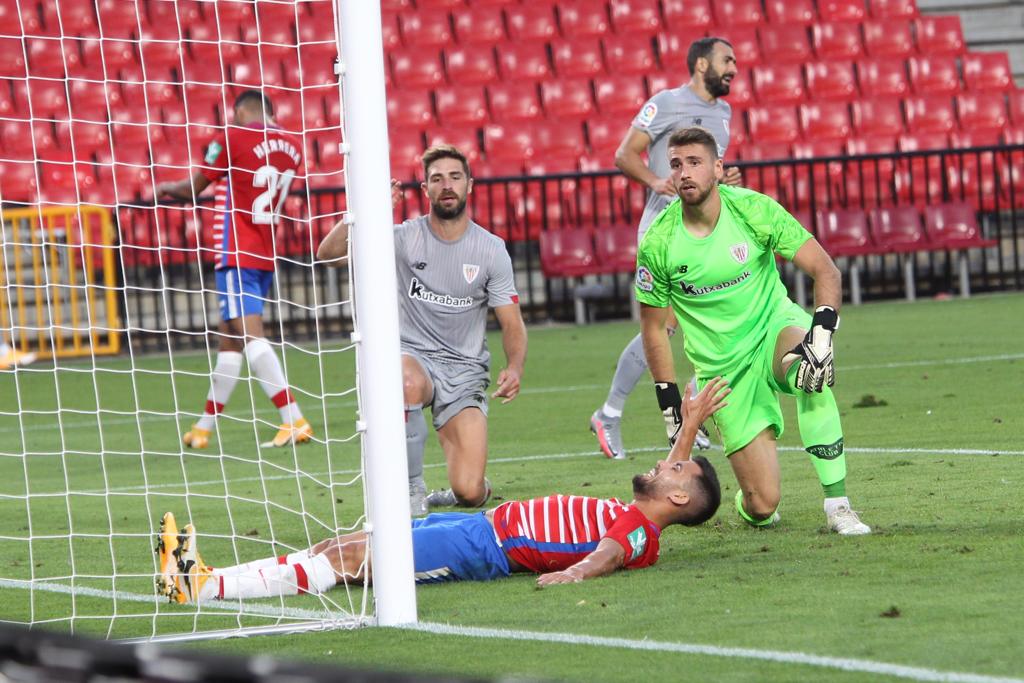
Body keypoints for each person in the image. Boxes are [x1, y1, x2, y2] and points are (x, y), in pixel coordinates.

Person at [154, 378, 728, 602]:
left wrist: (573, 574)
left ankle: (203, 588)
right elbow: (670, 476)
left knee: (354, 559)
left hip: (483, 550)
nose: (664, 463)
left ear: (677, 499)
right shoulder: (644, 511)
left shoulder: (635, 535)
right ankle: (202, 577)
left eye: (675, 471)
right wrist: (692, 427)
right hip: (478, 528)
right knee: (345, 545)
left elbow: (607, 554)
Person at [636, 126, 871, 535]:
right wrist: (670, 405)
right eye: (676, 164)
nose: (684, 172)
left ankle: (839, 504)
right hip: (722, 368)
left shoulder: (753, 209)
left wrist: (821, 335)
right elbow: (654, 330)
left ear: (717, 167)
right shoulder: (658, 242)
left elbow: (824, 269)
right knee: (763, 505)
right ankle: (753, 499)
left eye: (694, 162)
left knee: (809, 373)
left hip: (773, 329)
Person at [316, 145, 527, 516]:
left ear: (470, 185)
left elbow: (511, 321)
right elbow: (327, 254)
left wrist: (515, 366)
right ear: (424, 188)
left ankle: (467, 488)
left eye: (455, 177)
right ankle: (411, 492)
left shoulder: (491, 250)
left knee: (469, 491)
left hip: (464, 373)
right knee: (405, 380)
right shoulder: (402, 238)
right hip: (414, 359)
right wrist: (369, 210)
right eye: (437, 179)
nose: (447, 185)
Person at [591, 36, 743, 461]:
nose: (733, 68)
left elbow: (704, 174)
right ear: (700, 65)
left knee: (716, 313)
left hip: (704, 227)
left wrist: (722, 180)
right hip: (663, 229)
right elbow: (625, 154)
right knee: (664, 324)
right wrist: (657, 181)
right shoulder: (665, 103)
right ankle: (610, 414)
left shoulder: (724, 113)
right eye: (726, 60)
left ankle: (688, 409)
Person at [156, 91, 312, 451]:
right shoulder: (293, 145)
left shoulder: (231, 135)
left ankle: (294, 419)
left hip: (236, 252)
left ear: (241, 111)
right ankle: (204, 427)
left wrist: (163, 187)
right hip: (263, 252)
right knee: (230, 341)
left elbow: (195, 187)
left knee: (252, 337)